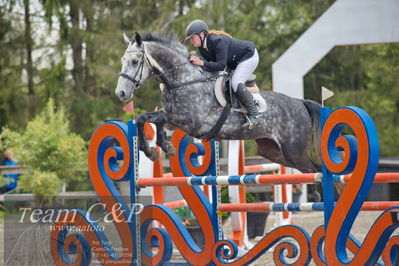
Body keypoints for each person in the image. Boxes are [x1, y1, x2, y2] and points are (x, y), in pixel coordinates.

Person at [185, 19, 262, 128]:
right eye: (190, 39)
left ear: (202, 34)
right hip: (235, 62)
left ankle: (255, 114)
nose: (191, 41)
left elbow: (221, 66)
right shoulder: (202, 48)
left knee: (236, 82)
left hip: (249, 56)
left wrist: (200, 62)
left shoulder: (219, 41)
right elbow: (210, 68)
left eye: (192, 37)